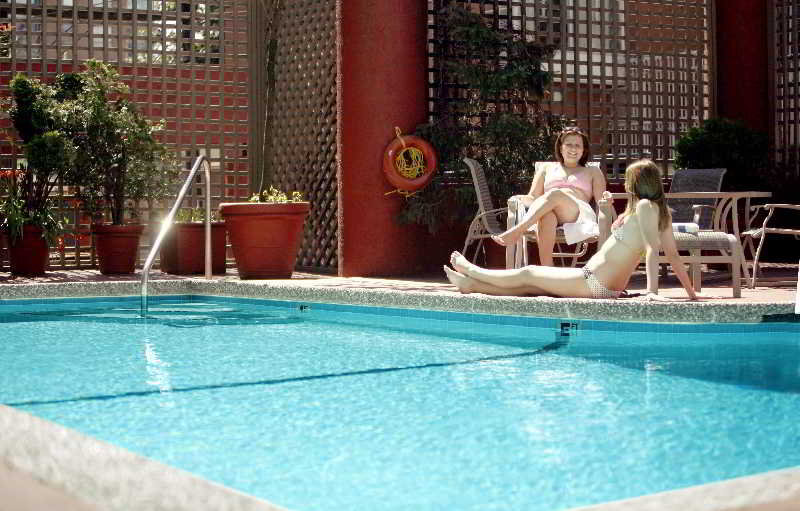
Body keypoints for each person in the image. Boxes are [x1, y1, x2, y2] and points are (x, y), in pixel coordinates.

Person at [445, 159, 698, 301]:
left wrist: (652, 292)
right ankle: (472, 285)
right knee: (533, 287)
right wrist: (692, 295)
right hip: (601, 283)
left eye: (628, 181)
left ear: (636, 184)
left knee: (529, 273)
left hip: (594, 280)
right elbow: (673, 257)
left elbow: (653, 250)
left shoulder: (644, 206)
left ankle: (474, 271)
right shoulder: (660, 212)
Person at [493, 127, 608, 266]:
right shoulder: (546, 168)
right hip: (550, 211)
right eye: (569, 144)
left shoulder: (592, 171)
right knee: (546, 216)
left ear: (584, 150)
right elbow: (533, 198)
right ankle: (547, 268)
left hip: (577, 213)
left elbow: (602, 202)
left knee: (555, 193)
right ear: (560, 147)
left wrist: (607, 204)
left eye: (578, 145)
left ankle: (518, 230)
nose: (573, 149)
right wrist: (518, 198)